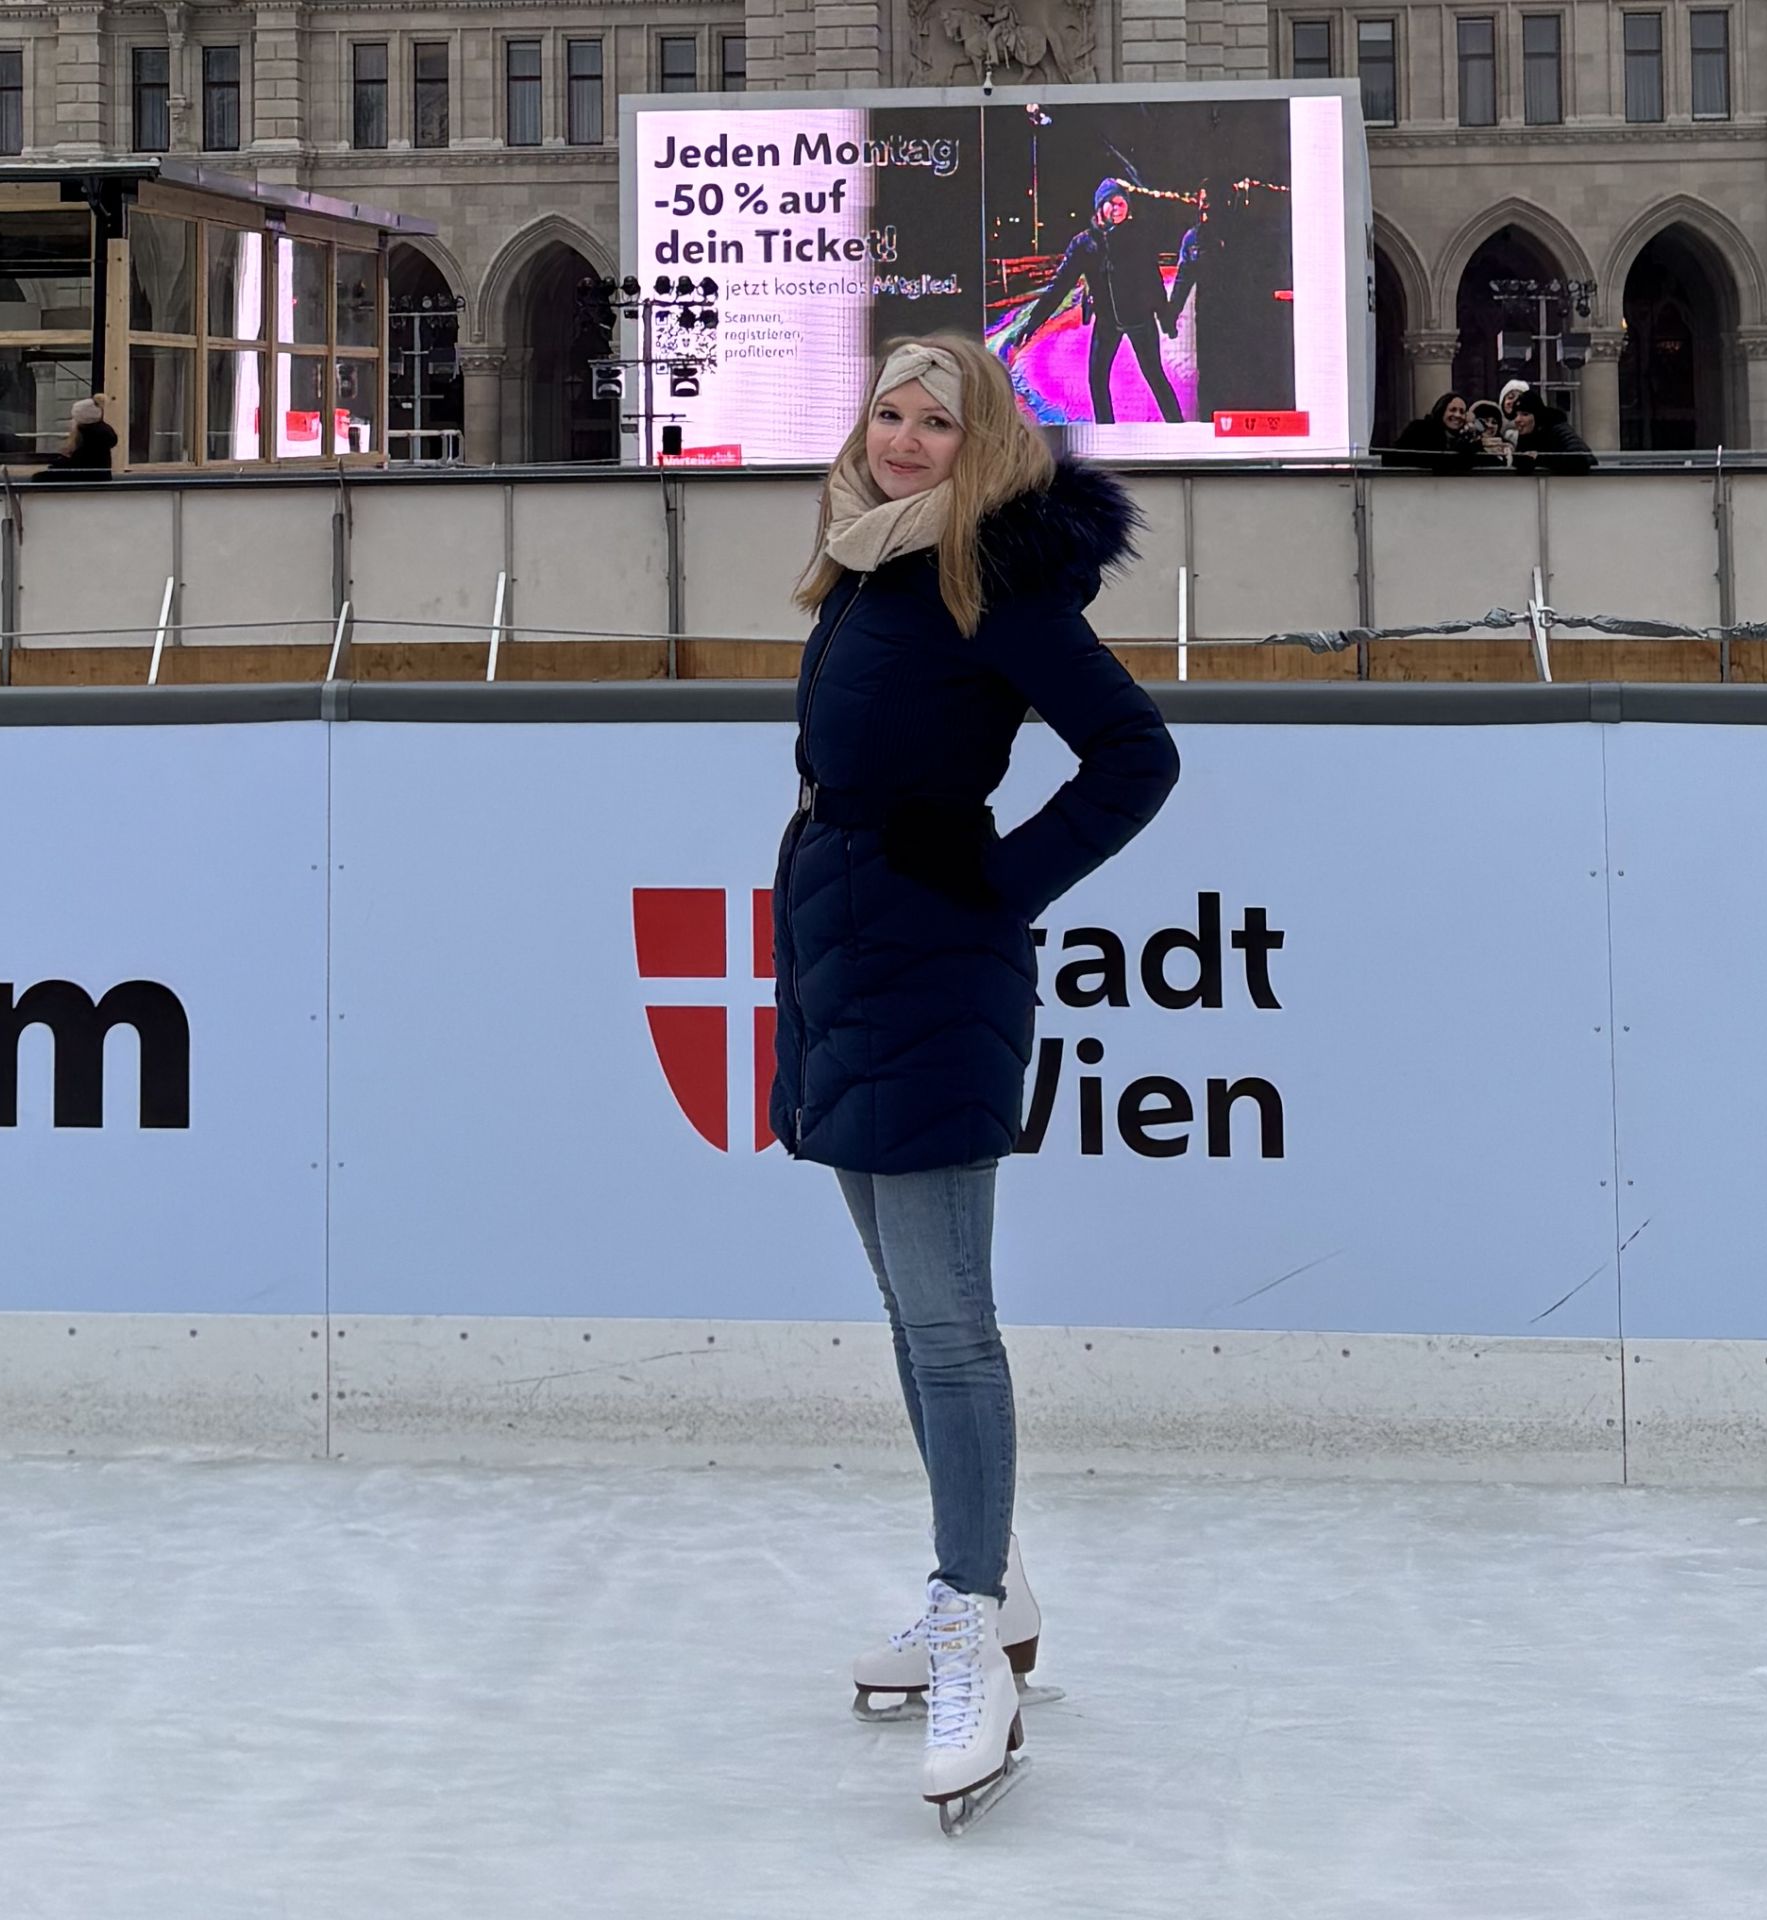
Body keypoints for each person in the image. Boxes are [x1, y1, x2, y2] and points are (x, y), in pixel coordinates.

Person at [771, 334, 1179, 1833]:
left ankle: (970, 1631)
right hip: (844, 949)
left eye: (936, 421)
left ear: (986, 440)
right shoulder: (865, 561)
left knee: (949, 1325)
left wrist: (1004, 883)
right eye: (888, 411)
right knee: (906, 1307)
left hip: (934, 963)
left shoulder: (991, 580)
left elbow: (1135, 756)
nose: (903, 437)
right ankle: (994, 1591)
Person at [1011, 179, 1184, 424]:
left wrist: (1164, 316)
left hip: (1140, 321)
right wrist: (1033, 323)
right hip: (1107, 323)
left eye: (1122, 203)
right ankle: (1106, 431)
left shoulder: (1137, 237)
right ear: (1099, 206)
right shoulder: (1085, 244)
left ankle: (1178, 427)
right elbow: (1059, 287)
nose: (1118, 208)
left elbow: (1152, 281)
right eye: (1112, 202)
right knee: (1097, 379)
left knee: (1155, 375)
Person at [1166, 174, 1296, 417]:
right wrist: (1171, 314)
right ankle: (1211, 426)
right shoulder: (1194, 239)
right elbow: (1183, 279)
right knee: (1211, 379)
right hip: (1210, 321)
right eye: (1202, 201)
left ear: (1227, 202)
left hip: (1244, 319)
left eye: (1210, 201)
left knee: (1242, 378)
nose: (1205, 207)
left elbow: (1266, 272)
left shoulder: (1248, 234)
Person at [1380, 392, 1495, 473]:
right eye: (1452, 410)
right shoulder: (1421, 429)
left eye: (1462, 412)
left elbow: (1486, 464)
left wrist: (1474, 440)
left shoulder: (1465, 438)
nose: (1457, 415)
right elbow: (1444, 464)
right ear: (1441, 410)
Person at [1510, 387, 1596, 473]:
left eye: (1525, 414)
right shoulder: (1526, 435)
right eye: (1515, 415)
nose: (1517, 420)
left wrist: (1540, 458)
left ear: (1537, 416)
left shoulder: (1557, 428)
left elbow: (1581, 460)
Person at [32, 395, 118, 480]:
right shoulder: (101, 434)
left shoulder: (87, 437)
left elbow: (77, 465)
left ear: (81, 420)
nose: (72, 421)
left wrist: (56, 465)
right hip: (97, 479)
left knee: (38, 478)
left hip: (85, 480)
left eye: (74, 418)